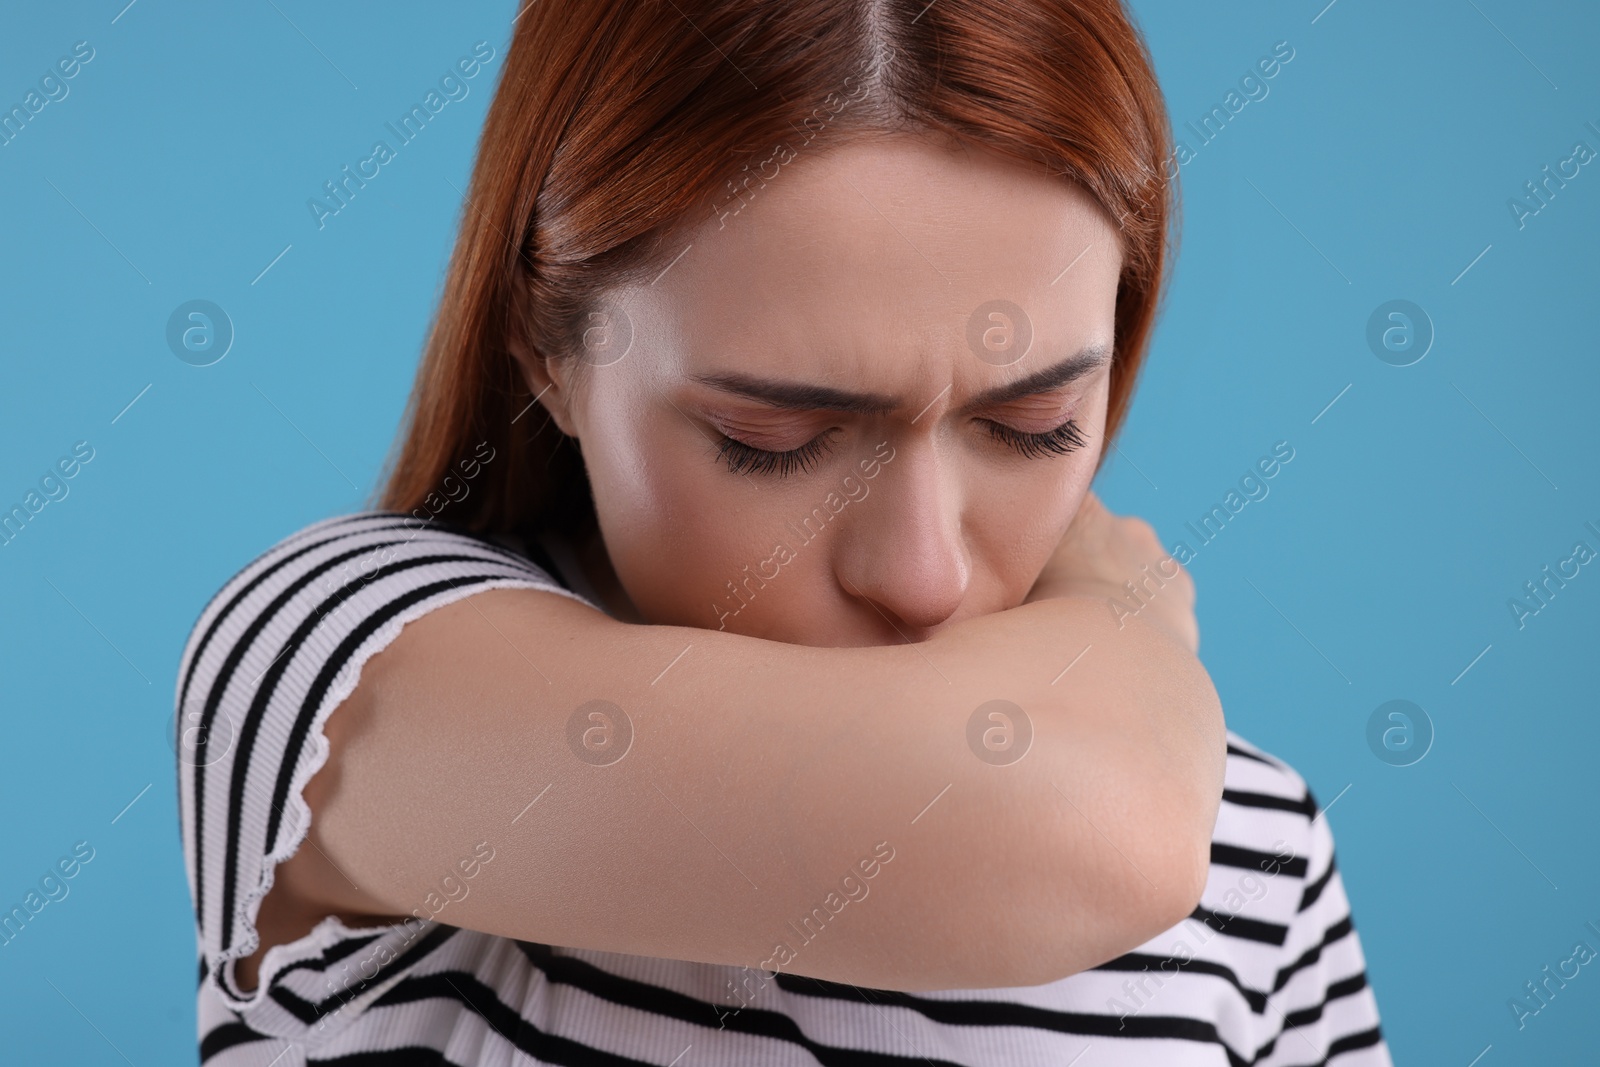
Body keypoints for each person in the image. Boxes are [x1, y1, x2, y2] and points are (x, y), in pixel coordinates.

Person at [175, 0, 1391, 1062]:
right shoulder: (327, 659)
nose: (923, 574)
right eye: (771, 437)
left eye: (1033, 423)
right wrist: (1111, 607)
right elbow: (1086, 825)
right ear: (549, 354)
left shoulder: (1253, 843)